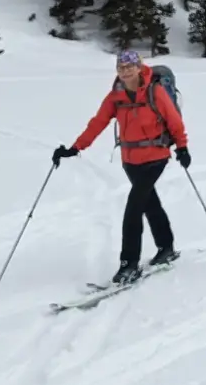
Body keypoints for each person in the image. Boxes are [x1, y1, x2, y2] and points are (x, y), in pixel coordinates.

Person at [52, 50, 190, 285]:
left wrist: (182, 147)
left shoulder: (154, 91)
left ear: (139, 67)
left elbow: (174, 121)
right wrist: (76, 148)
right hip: (130, 160)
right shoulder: (116, 96)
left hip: (156, 156)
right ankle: (166, 246)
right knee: (150, 203)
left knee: (133, 208)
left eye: (129, 67)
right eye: (120, 67)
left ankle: (129, 264)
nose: (125, 71)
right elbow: (98, 122)